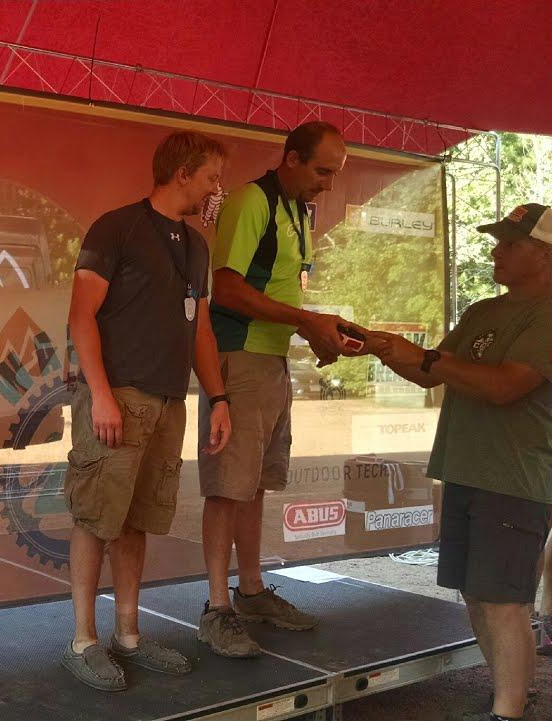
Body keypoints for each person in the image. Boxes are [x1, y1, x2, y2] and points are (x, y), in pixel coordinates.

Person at [61, 131, 232, 691]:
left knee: (137, 520)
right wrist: (102, 394)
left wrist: (219, 397)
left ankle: (128, 636)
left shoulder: (197, 246)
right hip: (117, 397)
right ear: (182, 172)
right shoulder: (117, 228)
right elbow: (81, 316)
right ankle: (84, 641)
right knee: (95, 518)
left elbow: (200, 328)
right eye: (210, 175)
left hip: (168, 401)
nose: (216, 187)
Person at [368, 203, 552, 721]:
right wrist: (381, 347)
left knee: (505, 601)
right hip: (465, 469)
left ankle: (508, 711)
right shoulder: (483, 311)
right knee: (476, 596)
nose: (495, 250)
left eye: (509, 243)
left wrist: (423, 357)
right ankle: (506, 698)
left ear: (544, 254)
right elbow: (431, 374)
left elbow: (504, 386)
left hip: (515, 477)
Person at [197, 121, 362, 657]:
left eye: (335, 174)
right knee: (228, 485)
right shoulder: (252, 200)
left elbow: (278, 290)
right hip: (236, 355)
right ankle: (216, 607)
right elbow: (224, 285)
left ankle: (249, 591)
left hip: (269, 359)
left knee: (255, 483)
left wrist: (314, 330)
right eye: (322, 171)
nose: (328, 185)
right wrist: (303, 319)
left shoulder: (296, 209)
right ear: (291, 158)